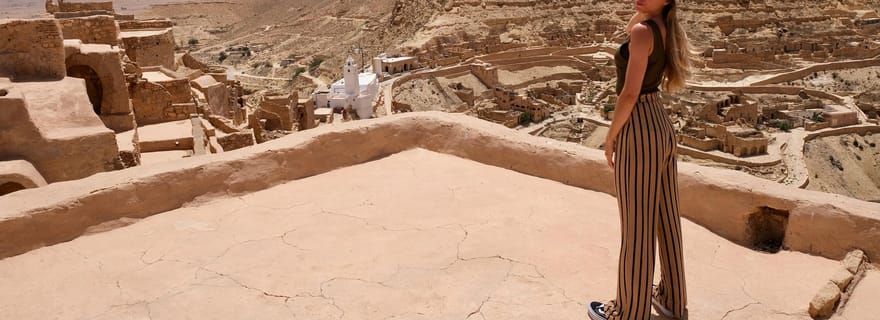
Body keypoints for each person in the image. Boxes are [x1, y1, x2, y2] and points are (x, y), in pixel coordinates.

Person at [588, 0, 693, 319]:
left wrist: (610, 136)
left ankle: (629, 312)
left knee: (636, 226)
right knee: (666, 218)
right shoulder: (662, 26)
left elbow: (629, 93)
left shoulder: (643, 32)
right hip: (660, 124)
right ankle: (671, 301)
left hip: (638, 127)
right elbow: (629, 30)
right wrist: (648, 10)